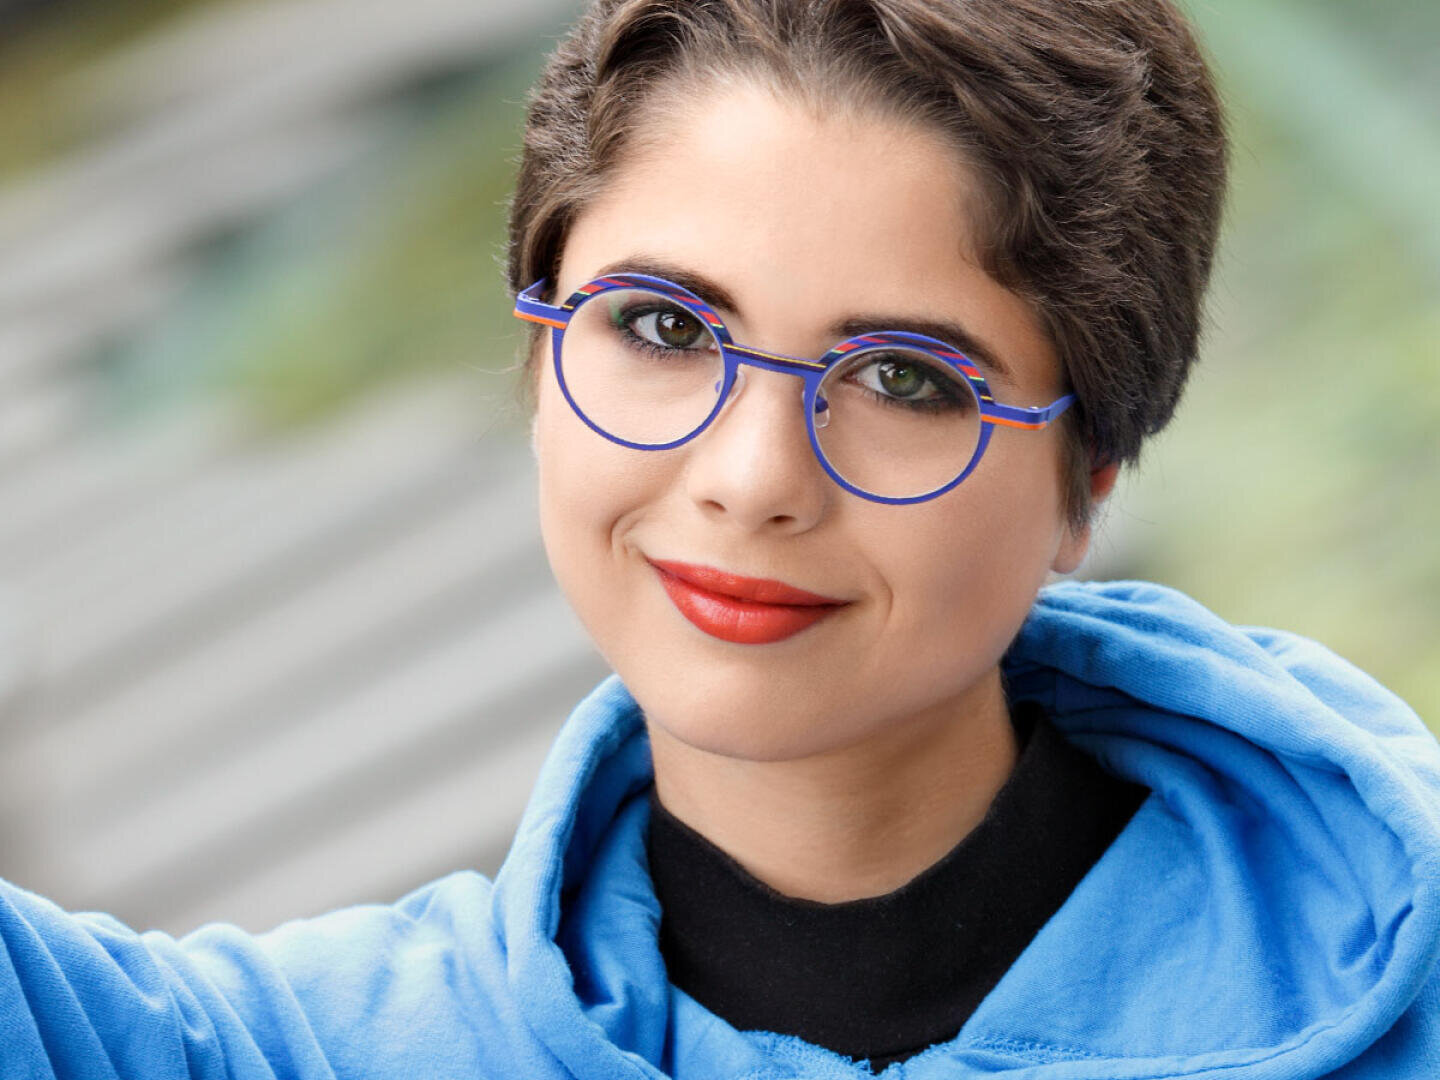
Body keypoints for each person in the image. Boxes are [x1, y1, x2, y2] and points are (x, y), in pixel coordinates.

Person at [3, 1, 1437, 1077]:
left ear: (1090, 480)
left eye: (903, 380)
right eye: (664, 328)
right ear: (539, 355)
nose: (752, 480)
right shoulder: (280, 1050)